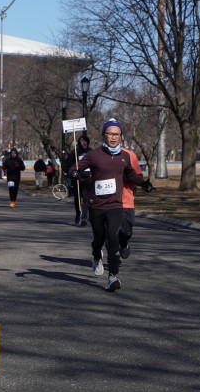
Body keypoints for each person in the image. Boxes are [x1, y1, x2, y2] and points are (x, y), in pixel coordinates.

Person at [72, 118, 152, 291]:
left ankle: (112, 276)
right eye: (110, 134)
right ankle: (96, 256)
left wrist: (143, 183)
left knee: (113, 237)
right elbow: (75, 168)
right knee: (99, 239)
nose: (114, 137)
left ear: (121, 136)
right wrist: (76, 173)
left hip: (115, 205)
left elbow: (131, 174)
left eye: (117, 134)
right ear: (104, 135)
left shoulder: (124, 156)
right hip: (96, 205)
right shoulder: (94, 155)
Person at [120, 146, 143, 260]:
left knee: (126, 230)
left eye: (116, 136)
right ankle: (113, 258)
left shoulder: (129, 154)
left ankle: (124, 244)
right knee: (109, 232)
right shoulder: (99, 154)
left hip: (126, 200)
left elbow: (139, 176)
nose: (113, 138)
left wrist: (127, 176)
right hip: (107, 201)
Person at [63, 134, 92, 225]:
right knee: (78, 198)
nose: (83, 143)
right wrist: (72, 172)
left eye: (85, 141)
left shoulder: (91, 152)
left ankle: (84, 217)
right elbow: (67, 165)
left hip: (89, 178)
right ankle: (78, 213)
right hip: (77, 179)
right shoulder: (75, 152)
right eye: (81, 141)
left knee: (86, 197)